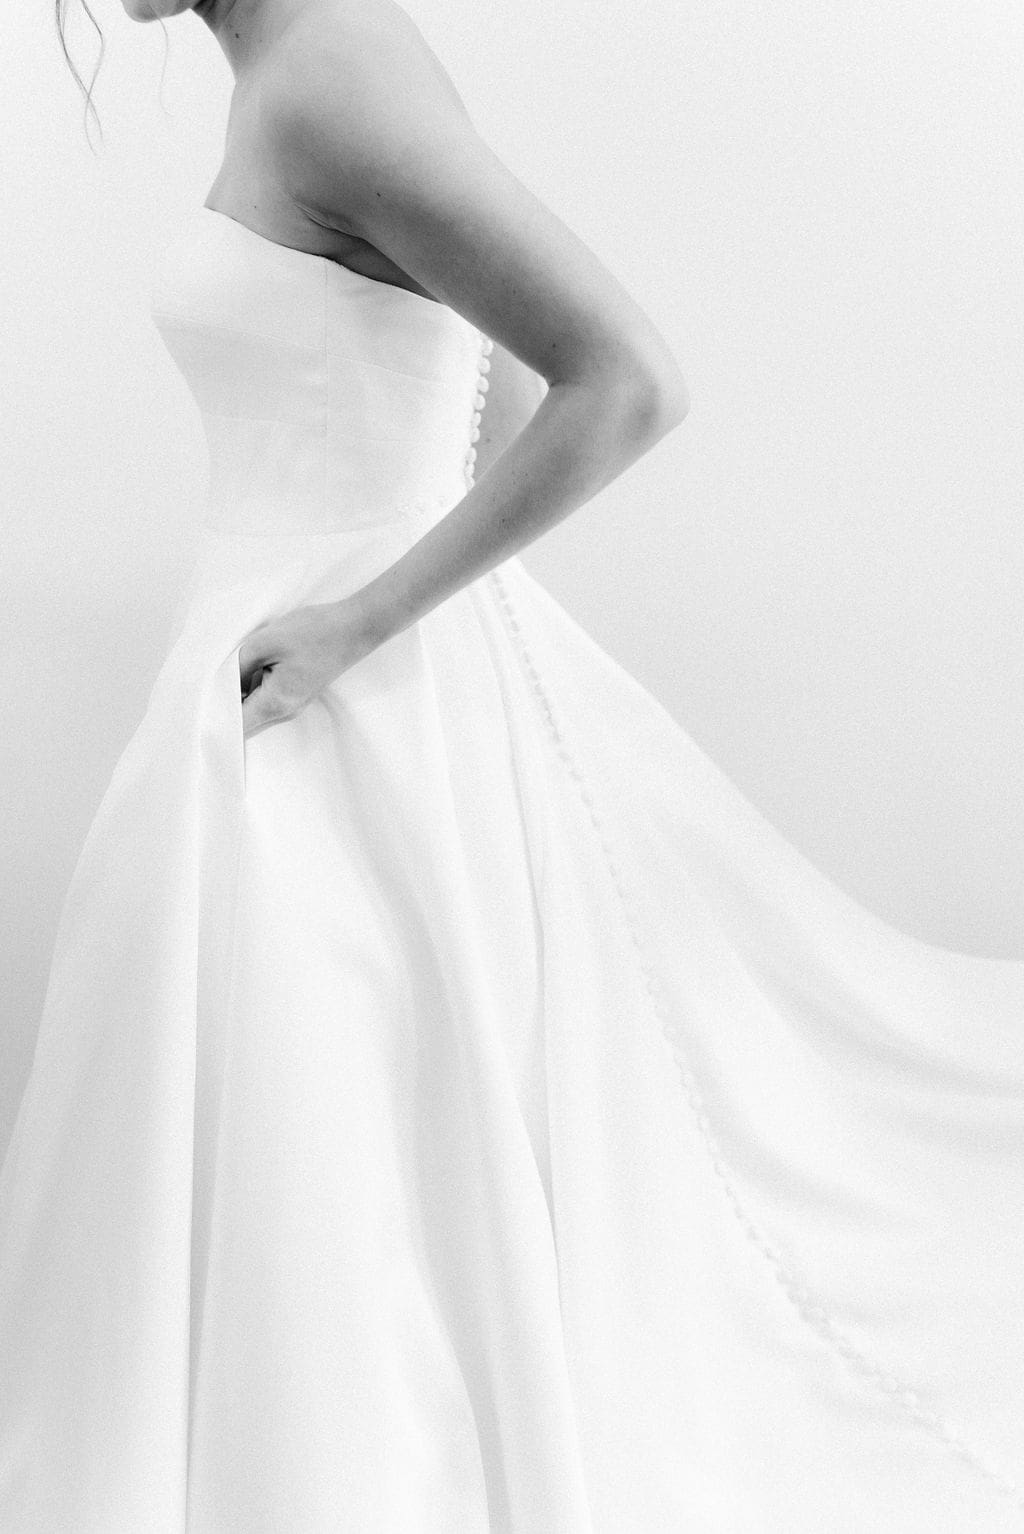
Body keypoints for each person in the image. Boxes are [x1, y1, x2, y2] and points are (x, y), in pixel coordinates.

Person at [2, 1, 1022, 1529]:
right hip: (290, 678)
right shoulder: (299, 68)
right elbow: (494, 390)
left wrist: (364, 619)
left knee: (333, 1129)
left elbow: (625, 378)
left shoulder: (330, 73)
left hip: (326, 686)